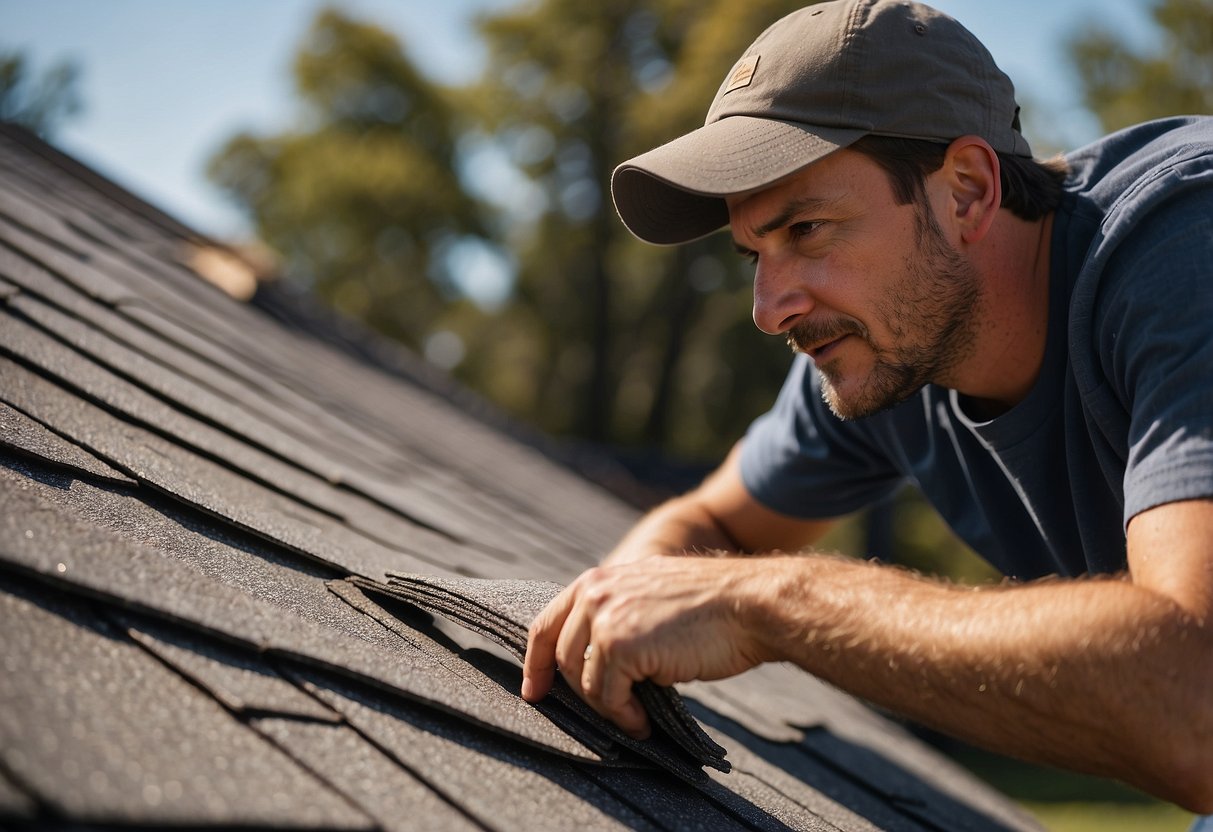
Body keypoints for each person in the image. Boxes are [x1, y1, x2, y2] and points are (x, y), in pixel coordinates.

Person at [520, 0, 1213, 813]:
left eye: (807, 229)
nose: (768, 306)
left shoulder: (1181, 252)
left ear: (966, 193)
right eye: (753, 254)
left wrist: (770, 603)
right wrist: (610, 632)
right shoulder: (891, 347)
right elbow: (705, 531)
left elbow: (1194, 703)